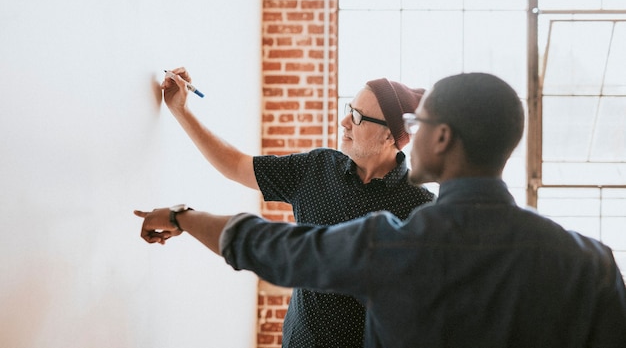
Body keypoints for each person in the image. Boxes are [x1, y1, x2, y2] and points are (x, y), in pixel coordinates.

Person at [136, 72, 626, 347]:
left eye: (421, 122)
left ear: (440, 137)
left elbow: (271, 246)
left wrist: (182, 217)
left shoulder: (396, 239)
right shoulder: (594, 265)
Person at [156, 67, 435, 347]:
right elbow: (236, 165)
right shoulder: (317, 167)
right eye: (349, 108)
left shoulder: (422, 209)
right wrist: (181, 110)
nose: (344, 121)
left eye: (358, 117)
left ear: (390, 137)